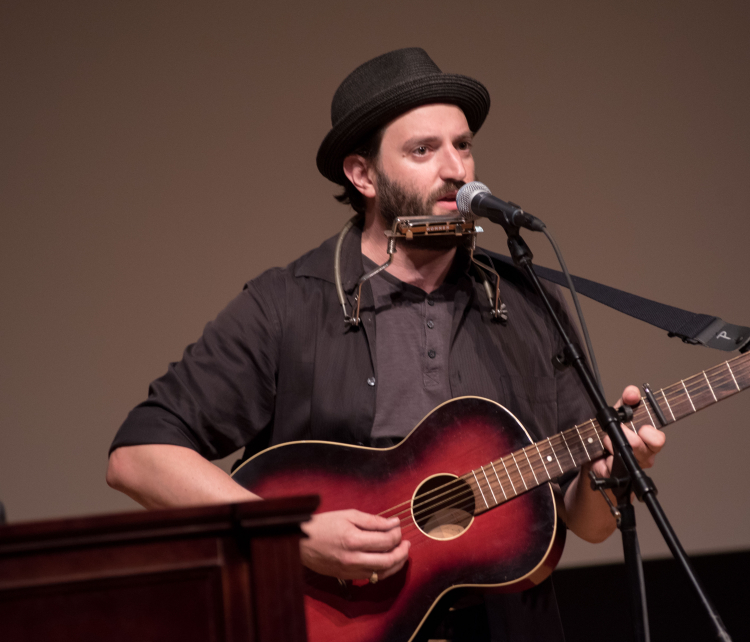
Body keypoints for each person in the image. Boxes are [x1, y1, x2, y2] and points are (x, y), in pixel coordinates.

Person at [107, 48, 666, 641]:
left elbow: (585, 521)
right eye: (423, 150)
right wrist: (292, 533)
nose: (456, 169)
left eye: (463, 145)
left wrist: (611, 472)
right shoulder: (288, 304)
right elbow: (138, 456)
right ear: (363, 175)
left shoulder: (527, 301)